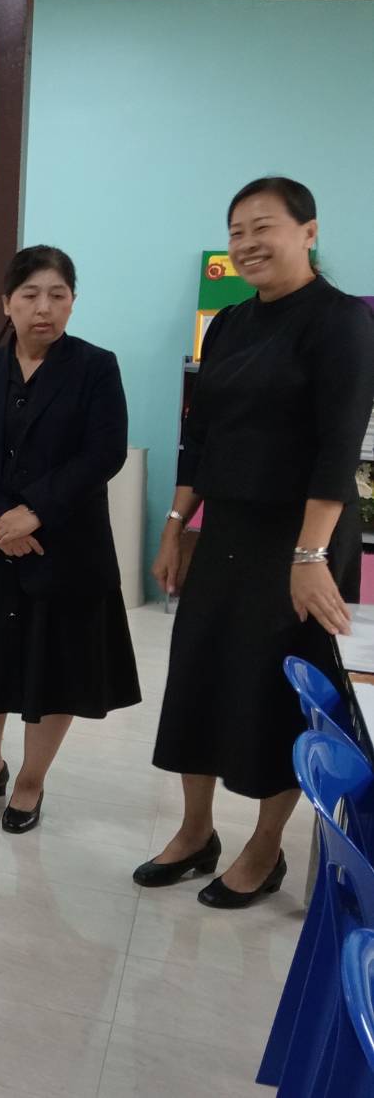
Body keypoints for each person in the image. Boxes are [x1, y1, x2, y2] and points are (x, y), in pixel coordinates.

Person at [139, 177, 374, 908]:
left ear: (309, 231)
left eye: (262, 227)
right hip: (228, 530)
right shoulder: (230, 325)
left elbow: (339, 449)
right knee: (199, 675)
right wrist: (175, 526)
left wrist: (309, 557)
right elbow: (199, 437)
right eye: (236, 231)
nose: (246, 244)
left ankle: (265, 847)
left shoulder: (342, 322)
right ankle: (195, 832)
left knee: (278, 691)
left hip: (301, 537)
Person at [0, 246, 141, 833]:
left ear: (72, 302)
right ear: (7, 303)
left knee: (53, 672)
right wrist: (0, 520)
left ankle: (30, 781)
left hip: (64, 547)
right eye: (30, 295)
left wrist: (35, 514)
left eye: (57, 295)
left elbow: (104, 452)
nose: (43, 308)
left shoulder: (96, 368)